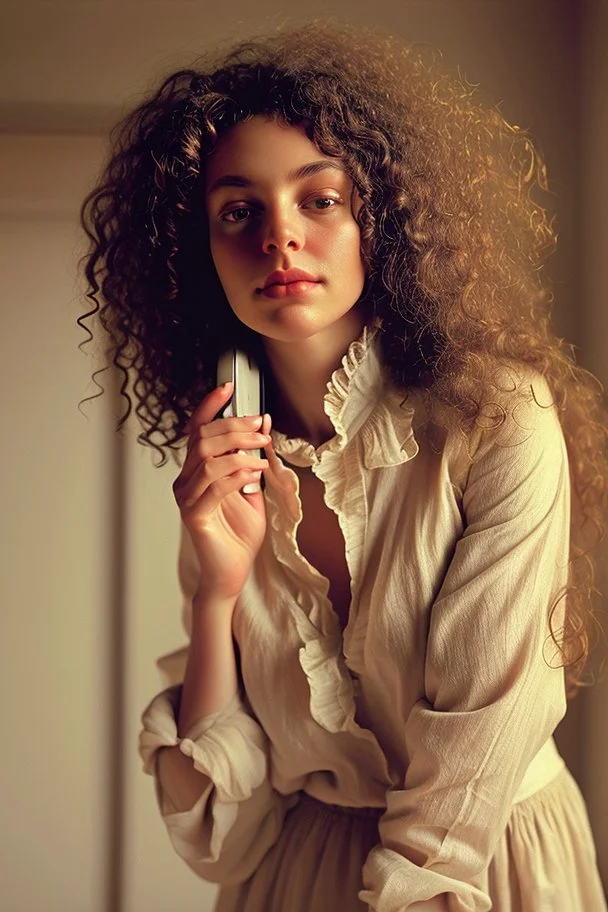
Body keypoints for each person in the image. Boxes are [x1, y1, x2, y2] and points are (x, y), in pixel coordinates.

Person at [79, 22, 608, 912]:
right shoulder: (224, 461)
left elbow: (471, 770)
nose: (279, 240)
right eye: (239, 211)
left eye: (318, 200)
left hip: (483, 870)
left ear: (381, 220)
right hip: (299, 875)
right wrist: (217, 590)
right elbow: (225, 838)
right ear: (198, 252)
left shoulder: (499, 422)